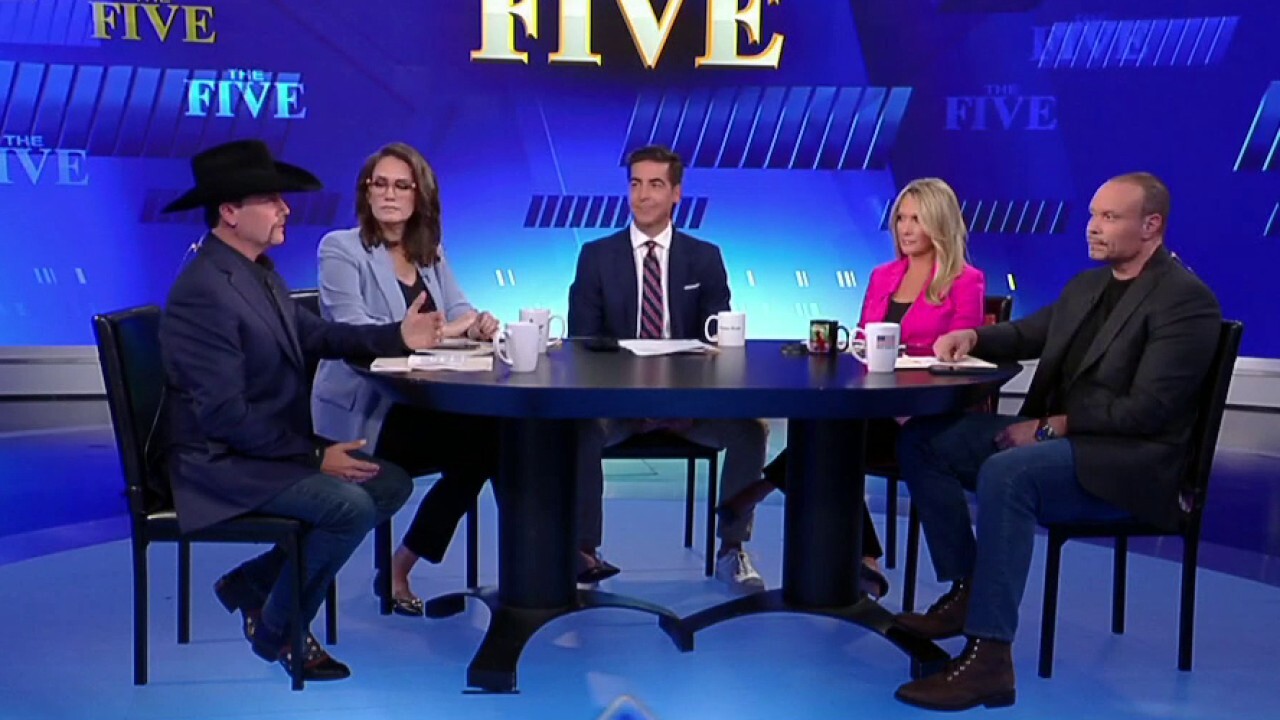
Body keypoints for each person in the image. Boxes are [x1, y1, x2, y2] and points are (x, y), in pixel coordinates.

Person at [891, 172, 1221, 711]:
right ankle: (970, 589)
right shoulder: (1088, 286)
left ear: (1151, 226)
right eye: (1092, 215)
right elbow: (1029, 333)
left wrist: (1051, 427)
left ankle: (989, 658)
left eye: (1109, 217)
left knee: (1008, 472)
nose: (1092, 227)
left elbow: (1150, 410)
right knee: (926, 440)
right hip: (1065, 445)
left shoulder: (1185, 302)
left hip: (1127, 466)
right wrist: (973, 336)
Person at [158, 139, 442, 681]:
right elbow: (223, 416)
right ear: (230, 212)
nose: (285, 209)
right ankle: (280, 629)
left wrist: (398, 336)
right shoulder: (204, 292)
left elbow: (319, 335)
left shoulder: (256, 272)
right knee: (348, 506)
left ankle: (255, 583)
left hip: (260, 450)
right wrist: (314, 457)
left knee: (389, 483)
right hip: (220, 463)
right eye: (271, 200)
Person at [716, 178, 986, 598]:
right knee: (832, 435)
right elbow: (862, 339)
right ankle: (864, 559)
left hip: (924, 412)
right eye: (901, 218)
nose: (906, 228)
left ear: (940, 222)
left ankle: (762, 489)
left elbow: (962, 353)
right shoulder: (883, 276)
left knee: (832, 441)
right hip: (875, 406)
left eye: (917, 219)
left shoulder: (965, 281)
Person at [311, 142, 501, 616]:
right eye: (380, 184)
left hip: (419, 406)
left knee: (495, 441)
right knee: (484, 444)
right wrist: (434, 332)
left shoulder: (429, 253)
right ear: (366, 191)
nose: (389, 194)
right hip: (366, 413)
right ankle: (396, 572)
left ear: (420, 196)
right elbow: (353, 330)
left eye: (402, 185)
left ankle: (403, 562)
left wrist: (476, 324)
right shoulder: (340, 249)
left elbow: (457, 309)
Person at [568, 145, 770, 591]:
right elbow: (583, 345)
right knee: (580, 428)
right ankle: (584, 552)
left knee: (751, 430)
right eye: (635, 184)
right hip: (619, 409)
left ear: (676, 193)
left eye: (655, 184)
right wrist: (636, 400)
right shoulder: (596, 257)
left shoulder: (705, 257)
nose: (642, 195)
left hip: (690, 410)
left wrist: (684, 401)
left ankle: (732, 548)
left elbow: (717, 341)